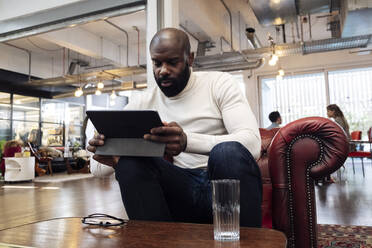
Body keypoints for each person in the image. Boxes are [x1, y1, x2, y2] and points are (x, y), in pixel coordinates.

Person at [87, 28, 262, 227]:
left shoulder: (219, 84)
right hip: (181, 188)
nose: (163, 70)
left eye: (172, 62)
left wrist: (187, 141)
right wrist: (107, 150)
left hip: (223, 184)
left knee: (227, 152)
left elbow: (253, 144)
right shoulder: (143, 102)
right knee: (129, 163)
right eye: (157, 63)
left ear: (190, 59)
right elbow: (96, 170)